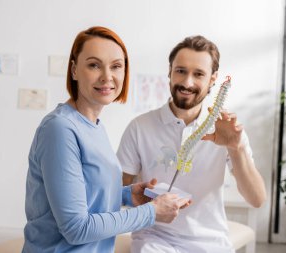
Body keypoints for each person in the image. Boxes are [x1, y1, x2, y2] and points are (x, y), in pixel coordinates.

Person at [22, 26, 190, 253]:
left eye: (116, 66)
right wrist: (152, 212)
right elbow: (76, 228)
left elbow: (85, 194)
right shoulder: (60, 129)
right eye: (94, 65)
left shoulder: (94, 126)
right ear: (74, 70)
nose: (107, 76)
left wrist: (127, 195)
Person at [117, 35, 267, 253]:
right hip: (154, 240)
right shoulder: (139, 127)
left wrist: (237, 149)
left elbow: (257, 199)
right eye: (181, 71)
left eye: (198, 74)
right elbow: (114, 192)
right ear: (169, 72)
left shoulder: (227, 130)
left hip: (211, 243)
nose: (187, 83)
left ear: (213, 79)